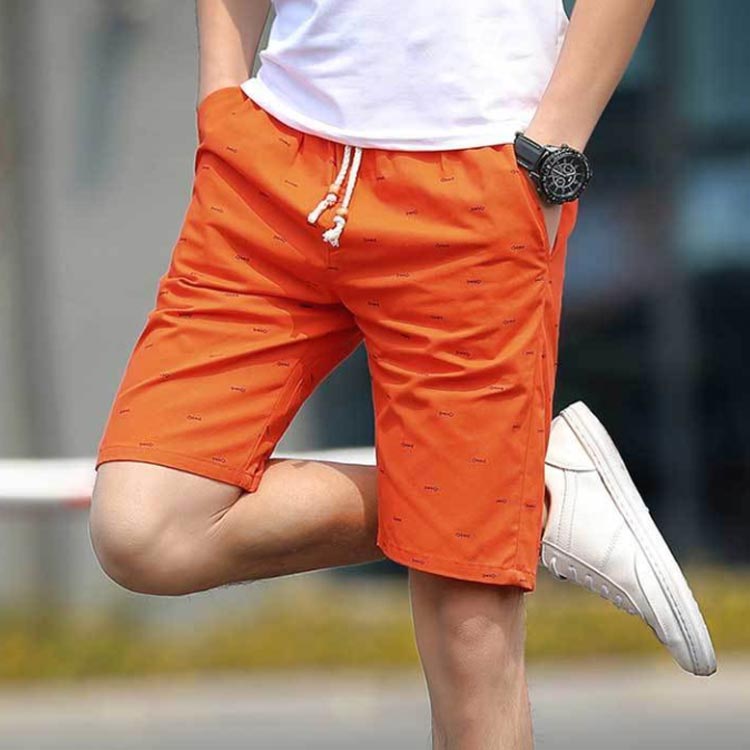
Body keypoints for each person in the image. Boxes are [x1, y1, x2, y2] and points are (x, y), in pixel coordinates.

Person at [89, 1, 716, 747]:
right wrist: (220, 104)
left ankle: (504, 496)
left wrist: (553, 152)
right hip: (267, 167)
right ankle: (536, 493)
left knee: (468, 645)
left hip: (475, 179)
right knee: (143, 528)